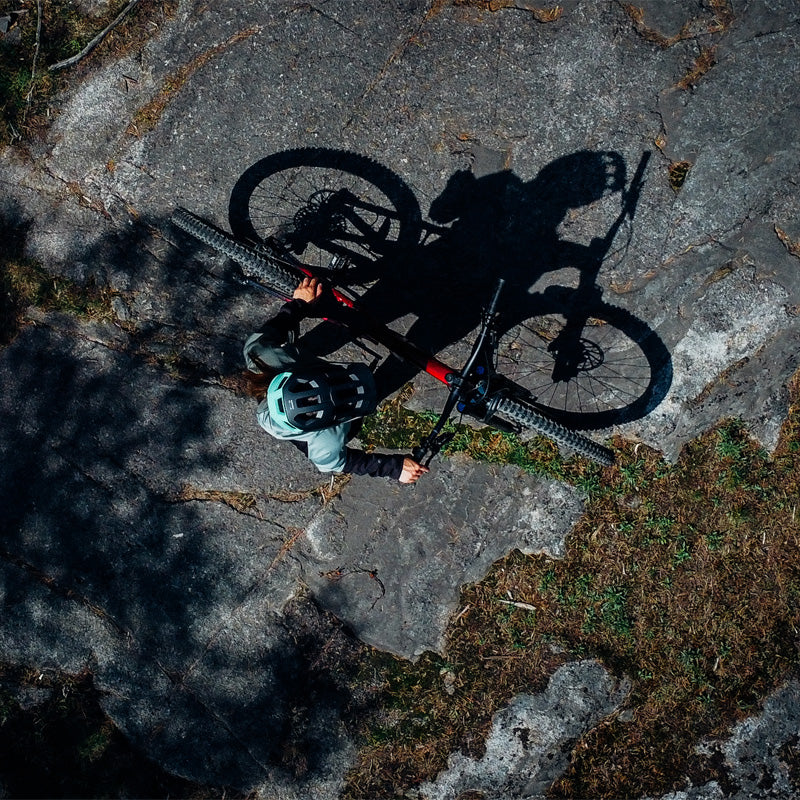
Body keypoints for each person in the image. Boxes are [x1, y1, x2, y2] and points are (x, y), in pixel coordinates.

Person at [241, 277, 429, 484]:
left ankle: (337, 329)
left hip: (300, 371)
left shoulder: (261, 354)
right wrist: (393, 467)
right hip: (335, 418)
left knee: (316, 340)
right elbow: (344, 463)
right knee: (389, 376)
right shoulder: (325, 444)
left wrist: (299, 304)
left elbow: (277, 326)